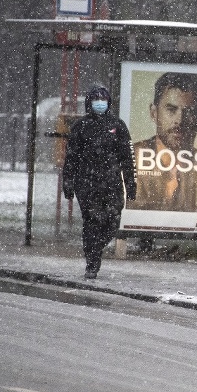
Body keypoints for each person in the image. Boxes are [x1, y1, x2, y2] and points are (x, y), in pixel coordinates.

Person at [62, 85, 137, 279]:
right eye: (96, 99)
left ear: (109, 102)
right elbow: (71, 158)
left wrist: (131, 184)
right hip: (87, 184)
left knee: (112, 221)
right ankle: (92, 263)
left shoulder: (118, 126)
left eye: (103, 99)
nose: (100, 102)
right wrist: (68, 182)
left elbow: (128, 158)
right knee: (93, 222)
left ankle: (95, 249)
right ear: (89, 102)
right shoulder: (80, 127)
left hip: (112, 184)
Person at [127, 72, 197, 213]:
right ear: (154, 112)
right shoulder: (129, 159)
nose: (179, 120)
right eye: (171, 109)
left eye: (189, 112)